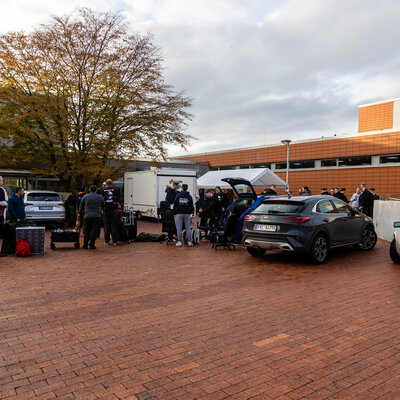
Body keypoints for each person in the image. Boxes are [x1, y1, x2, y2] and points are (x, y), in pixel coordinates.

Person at [79, 185, 105, 250]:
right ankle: (91, 245)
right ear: (96, 190)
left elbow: (81, 206)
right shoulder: (100, 197)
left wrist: (80, 213)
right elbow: (103, 205)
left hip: (87, 215)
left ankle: (85, 244)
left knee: (86, 230)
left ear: (90, 190)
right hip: (97, 216)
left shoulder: (85, 196)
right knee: (94, 231)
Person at [102, 178, 121, 245]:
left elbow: (102, 201)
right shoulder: (116, 190)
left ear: (106, 184)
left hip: (106, 210)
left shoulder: (103, 191)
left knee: (106, 226)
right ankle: (114, 241)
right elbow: (119, 199)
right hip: (114, 210)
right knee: (114, 225)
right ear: (112, 183)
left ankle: (107, 241)